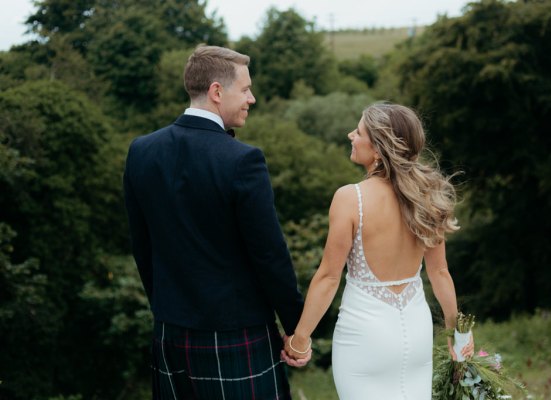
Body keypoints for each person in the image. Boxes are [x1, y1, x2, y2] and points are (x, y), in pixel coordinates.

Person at [123, 45, 307, 400]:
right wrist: (298, 329)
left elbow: (141, 246)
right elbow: (269, 255)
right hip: (236, 332)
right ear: (216, 91)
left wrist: (166, 308)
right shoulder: (243, 160)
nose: (252, 98)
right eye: (246, 89)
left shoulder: (141, 150)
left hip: (170, 331)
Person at [283, 103, 473, 399]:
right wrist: (456, 333)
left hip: (365, 339)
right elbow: (440, 273)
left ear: (378, 148)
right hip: (416, 334)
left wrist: (300, 339)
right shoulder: (427, 198)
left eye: (358, 132)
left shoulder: (350, 198)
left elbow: (329, 277)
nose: (350, 135)